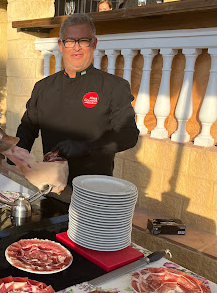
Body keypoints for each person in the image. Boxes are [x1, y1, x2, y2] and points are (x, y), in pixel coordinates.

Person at [14, 13, 139, 201]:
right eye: (70, 41)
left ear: (94, 44)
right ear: (61, 45)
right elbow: (28, 127)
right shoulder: (43, 87)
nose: (76, 47)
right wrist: (14, 152)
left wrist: (87, 147)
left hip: (95, 190)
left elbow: (129, 135)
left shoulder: (114, 87)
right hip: (53, 189)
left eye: (83, 40)